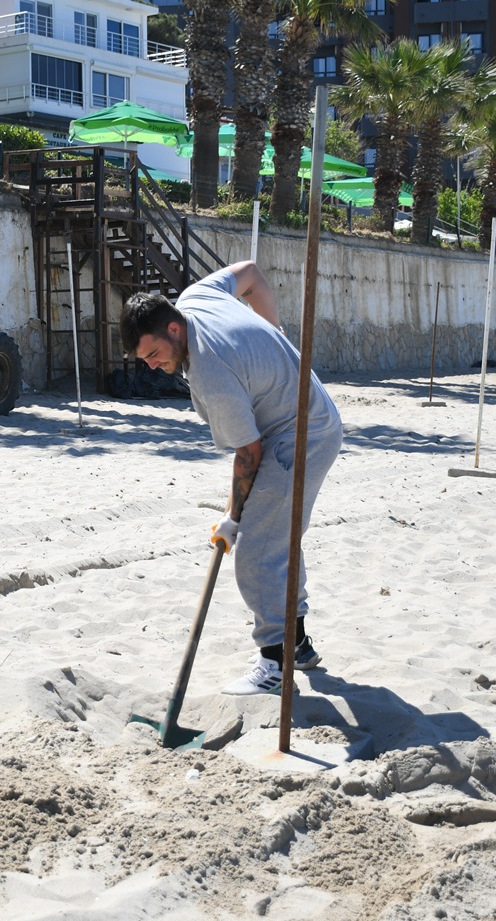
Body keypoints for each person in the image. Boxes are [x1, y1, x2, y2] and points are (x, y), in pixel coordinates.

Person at [120, 261, 343, 696]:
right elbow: (251, 274)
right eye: (143, 359)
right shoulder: (195, 298)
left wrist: (232, 516)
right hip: (313, 411)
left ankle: (275, 666)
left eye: (153, 354)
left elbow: (249, 452)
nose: (151, 366)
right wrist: (274, 334)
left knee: (258, 548)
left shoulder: (210, 373)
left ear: (174, 330)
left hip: (299, 435)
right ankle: (295, 643)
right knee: (279, 535)